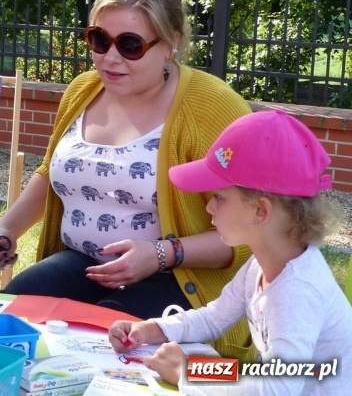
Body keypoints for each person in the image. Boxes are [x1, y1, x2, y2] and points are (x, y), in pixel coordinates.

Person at [0, 0, 255, 359]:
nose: (109, 58)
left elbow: (247, 236)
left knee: (102, 350)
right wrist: (6, 229)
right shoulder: (83, 89)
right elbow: (52, 175)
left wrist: (161, 253)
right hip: (83, 263)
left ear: (171, 44)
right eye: (99, 39)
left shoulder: (213, 107)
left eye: (129, 44)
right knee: (6, 318)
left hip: (179, 277)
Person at [108, 109, 352, 395]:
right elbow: (214, 318)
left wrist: (189, 373)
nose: (209, 207)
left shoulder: (299, 291)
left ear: (260, 211)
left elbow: (277, 389)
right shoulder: (263, 263)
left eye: (219, 198)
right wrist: (151, 329)